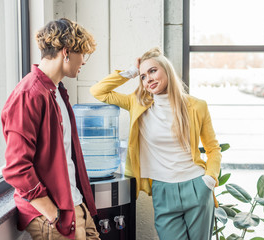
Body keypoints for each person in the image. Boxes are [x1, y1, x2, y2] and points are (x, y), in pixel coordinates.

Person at [90, 47, 222, 240]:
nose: (148, 79)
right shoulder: (137, 104)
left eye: (153, 71)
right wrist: (131, 71)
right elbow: (98, 91)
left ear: (166, 70)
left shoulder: (196, 106)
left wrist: (209, 180)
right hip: (162, 189)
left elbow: (213, 149)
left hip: (196, 186)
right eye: (143, 76)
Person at [1, 18, 101, 240]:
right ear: (66, 52)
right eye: (82, 53)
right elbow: (16, 167)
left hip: (73, 204)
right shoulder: (29, 94)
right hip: (55, 214)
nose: (83, 61)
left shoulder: (56, 92)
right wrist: (53, 213)